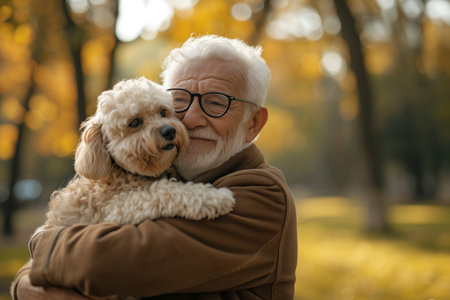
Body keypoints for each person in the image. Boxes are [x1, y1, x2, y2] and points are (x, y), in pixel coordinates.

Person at [12, 35, 298, 300]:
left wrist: (42, 244)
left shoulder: (263, 195)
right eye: (180, 101)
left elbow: (107, 264)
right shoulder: (169, 179)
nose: (193, 118)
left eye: (215, 102)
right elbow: (33, 281)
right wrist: (28, 280)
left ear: (253, 123)